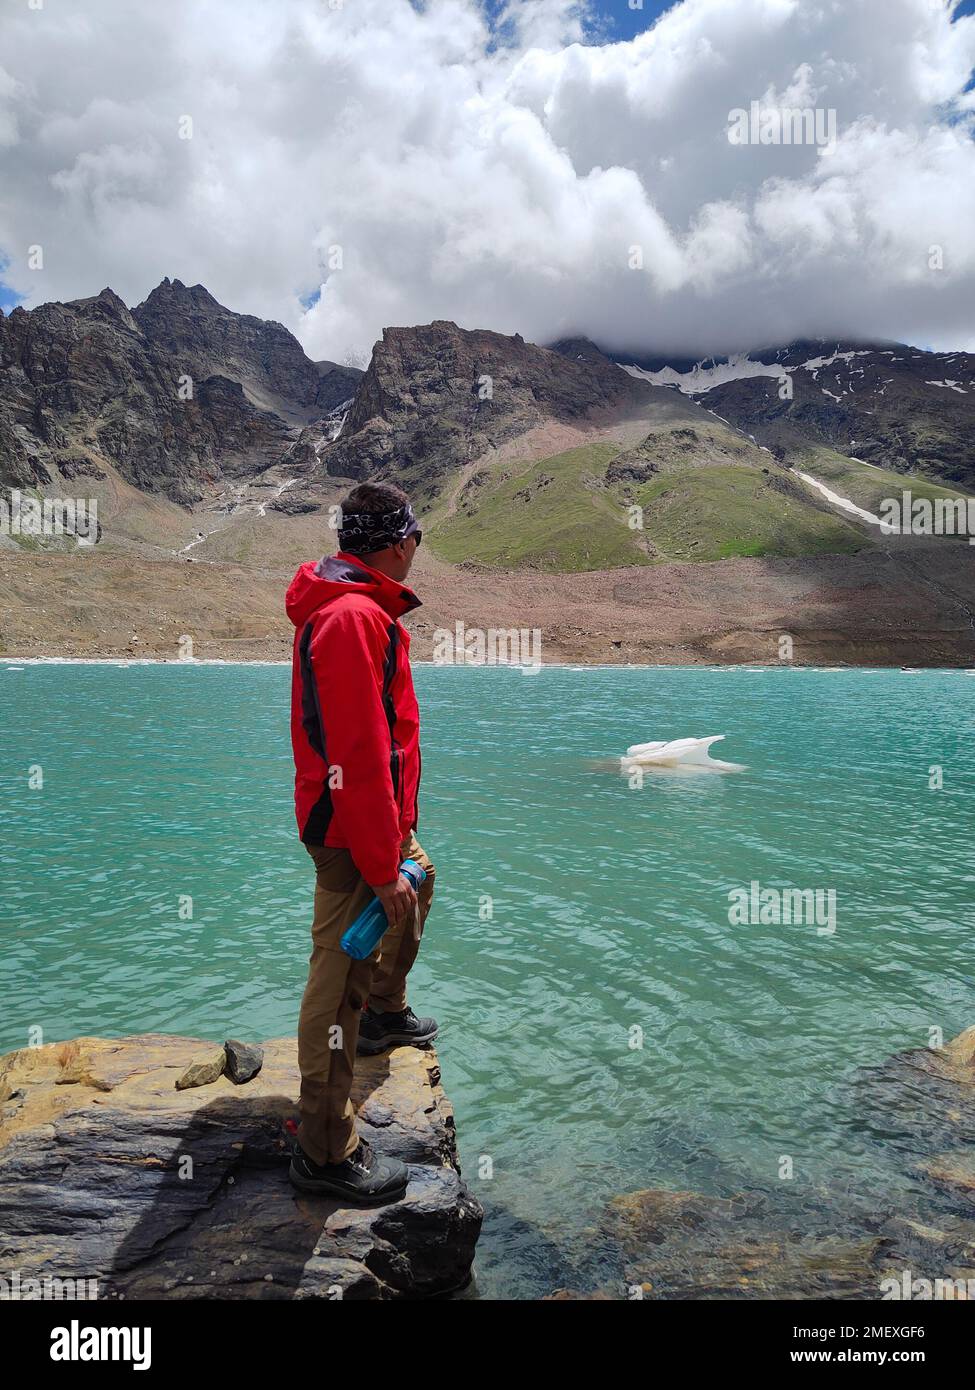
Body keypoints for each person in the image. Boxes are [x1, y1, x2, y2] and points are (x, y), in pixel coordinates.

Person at [284, 481, 437, 1203]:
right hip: (350, 833)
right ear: (399, 542)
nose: (417, 551)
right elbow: (357, 752)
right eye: (417, 538)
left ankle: (383, 1011)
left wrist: (398, 847)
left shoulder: (361, 609)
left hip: (371, 822)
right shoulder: (351, 618)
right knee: (335, 977)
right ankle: (323, 1149)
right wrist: (380, 867)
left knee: (421, 877)